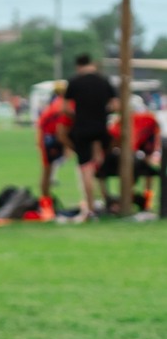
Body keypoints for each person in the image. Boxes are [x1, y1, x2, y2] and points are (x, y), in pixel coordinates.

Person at [61, 53, 116, 221]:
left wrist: (78, 115)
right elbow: (115, 105)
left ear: (78, 66)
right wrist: (102, 113)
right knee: (99, 161)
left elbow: (65, 108)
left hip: (82, 129)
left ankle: (91, 207)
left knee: (85, 167)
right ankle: (105, 198)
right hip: (101, 128)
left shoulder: (74, 82)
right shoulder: (104, 81)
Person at [37, 81, 72, 210]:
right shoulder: (62, 104)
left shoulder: (56, 102)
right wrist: (70, 145)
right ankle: (46, 204)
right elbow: (60, 129)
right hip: (50, 138)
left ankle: (46, 203)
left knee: (47, 171)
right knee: (47, 172)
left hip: (47, 137)